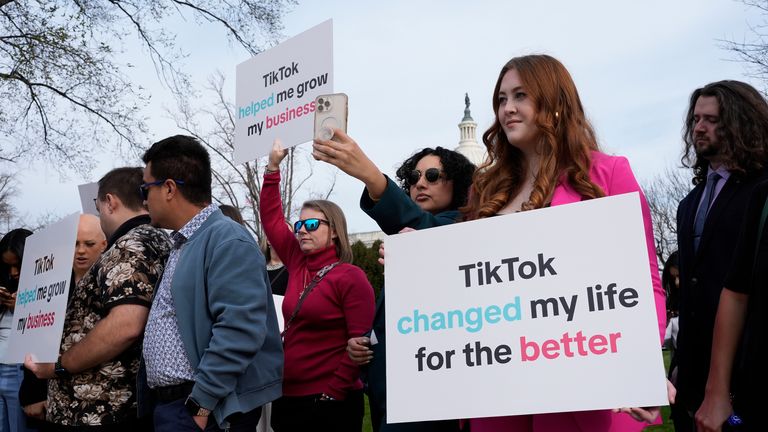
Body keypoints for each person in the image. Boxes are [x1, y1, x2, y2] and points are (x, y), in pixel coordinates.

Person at [458, 54, 666, 431]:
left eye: (520, 95)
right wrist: (415, 262)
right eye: (501, 99)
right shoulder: (484, 188)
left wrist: (641, 367)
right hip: (501, 385)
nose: (507, 108)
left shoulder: (607, 173)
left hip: (586, 382)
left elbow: (646, 281)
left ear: (553, 104)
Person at [312, 132, 475, 432]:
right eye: (413, 177)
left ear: (459, 185)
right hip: (391, 400)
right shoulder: (406, 242)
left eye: (433, 175)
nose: (420, 183)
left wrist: (371, 176)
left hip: (434, 404)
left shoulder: (461, 229)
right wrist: (366, 344)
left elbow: (424, 227)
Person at [140, 135, 282, 432]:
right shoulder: (184, 242)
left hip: (202, 408)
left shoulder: (226, 239)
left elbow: (239, 329)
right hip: (179, 406)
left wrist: (201, 403)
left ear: (168, 188)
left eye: (146, 188)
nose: (143, 199)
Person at [23, 167, 171, 431]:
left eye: (98, 206)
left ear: (110, 202)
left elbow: (125, 325)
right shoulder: (160, 240)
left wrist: (58, 366)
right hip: (118, 406)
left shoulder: (129, 246)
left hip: (99, 410)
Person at [673, 80, 768, 431]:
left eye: (712, 119)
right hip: (691, 382)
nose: (699, 127)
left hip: (747, 375)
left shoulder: (761, 190)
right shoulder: (687, 205)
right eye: (696, 119)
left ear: (741, 123)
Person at [260, 140, 375, 432]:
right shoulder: (297, 263)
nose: (302, 232)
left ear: (334, 231)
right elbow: (272, 219)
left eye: (312, 225)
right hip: (288, 397)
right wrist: (273, 168)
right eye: (299, 226)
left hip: (330, 402)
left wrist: (333, 392)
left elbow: (358, 342)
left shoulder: (350, 277)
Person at [20, 215, 107, 430]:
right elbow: (34, 337)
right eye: (75, 243)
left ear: (104, 245)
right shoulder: (48, 285)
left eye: (89, 244)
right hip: (52, 401)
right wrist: (34, 393)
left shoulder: (111, 285)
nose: (80, 251)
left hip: (97, 405)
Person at [0, 228, 33, 432]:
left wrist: (23, 308)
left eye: (18, 265)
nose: (13, 273)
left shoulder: (47, 285)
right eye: (7, 266)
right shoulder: (5, 284)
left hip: (21, 370)